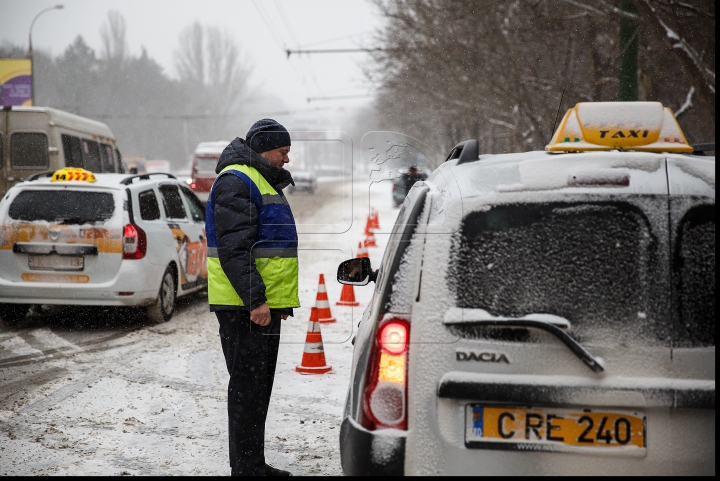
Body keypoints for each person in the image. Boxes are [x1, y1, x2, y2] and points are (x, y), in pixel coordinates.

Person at [205, 119, 299, 476]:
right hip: (243, 307)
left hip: (258, 306)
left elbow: (269, 248)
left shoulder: (255, 180)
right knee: (247, 389)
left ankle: (252, 463)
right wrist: (257, 301)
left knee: (257, 389)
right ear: (264, 150)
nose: (286, 159)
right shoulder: (236, 181)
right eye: (282, 152)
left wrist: (278, 303)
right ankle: (246, 468)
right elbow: (235, 249)